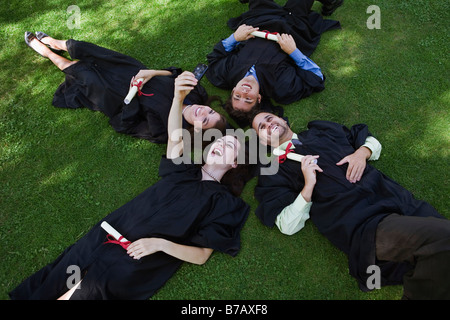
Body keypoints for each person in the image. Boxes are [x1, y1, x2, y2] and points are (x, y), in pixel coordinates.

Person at [9, 72, 251, 300]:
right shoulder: (184, 170)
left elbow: (201, 256)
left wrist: (159, 244)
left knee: (87, 291)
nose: (220, 145)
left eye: (230, 146)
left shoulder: (225, 203)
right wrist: (178, 98)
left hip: (137, 258)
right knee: (60, 275)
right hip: (108, 231)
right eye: (220, 141)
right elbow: (175, 136)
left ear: (234, 162)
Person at [251, 111, 450, 299]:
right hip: (366, 223)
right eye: (262, 127)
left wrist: (362, 152)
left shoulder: (321, 131)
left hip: (396, 198)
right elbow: (287, 225)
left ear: (283, 120)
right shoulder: (274, 170)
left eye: (269, 118)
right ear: (262, 140)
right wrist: (308, 185)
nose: (269, 124)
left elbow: (370, 141)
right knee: (443, 239)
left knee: (440, 252)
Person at [24, 32, 227, 144]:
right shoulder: (198, 94)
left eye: (205, 121)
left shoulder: (168, 130)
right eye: (211, 111)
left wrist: (132, 95)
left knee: (82, 73)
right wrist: (152, 73)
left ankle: (47, 52)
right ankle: (54, 42)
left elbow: (125, 124)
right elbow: (173, 73)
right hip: (136, 72)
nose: (203, 112)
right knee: (91, 50)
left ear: (197, 131)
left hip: (117, 94)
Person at [206, 0, 341, 125]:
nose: (244, 92)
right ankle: (331, 3)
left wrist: (235, 37)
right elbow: (316, 77)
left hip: (260, 20)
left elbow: (215, 57)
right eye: (248, 99)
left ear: (233, 90)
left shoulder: (226, 73)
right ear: (258, 98)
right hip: (292, 27)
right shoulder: (281, 88)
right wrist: (293, 51)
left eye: (237, 96)